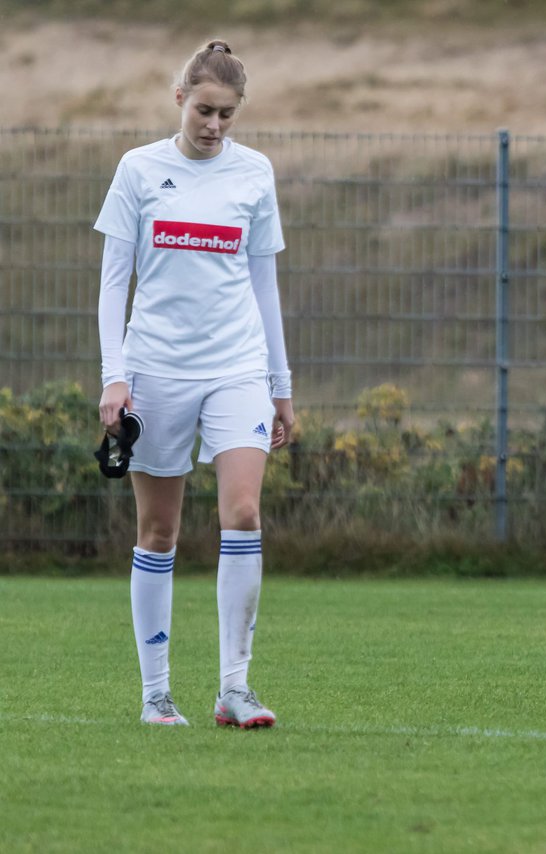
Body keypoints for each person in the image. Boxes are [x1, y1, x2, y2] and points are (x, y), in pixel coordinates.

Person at [95, 39, 293, 728]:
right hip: (155, 370)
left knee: (243, 512)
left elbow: (264, 286)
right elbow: (113, 281)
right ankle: (156, 695)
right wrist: (114, 377)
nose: (213, 126)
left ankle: (235, 689)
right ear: (180, 100)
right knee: (159, 530)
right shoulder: (139, 170)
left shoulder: (254, 174)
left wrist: (280, 384)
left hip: (236, 366)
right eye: (204, 110)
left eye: (227, 115)